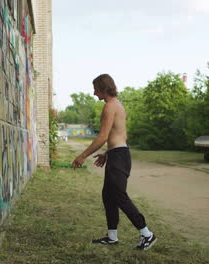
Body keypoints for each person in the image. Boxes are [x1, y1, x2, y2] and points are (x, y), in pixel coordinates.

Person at [71, 74, 157, 250]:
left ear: (103, 88)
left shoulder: (110, 107)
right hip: (117, 154)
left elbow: (103, 136)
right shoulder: (116, 105)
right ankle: (112, 237)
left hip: (119, 157)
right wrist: (108, 153)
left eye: (96, 89)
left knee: (119, 196)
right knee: (108, 196)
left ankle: (147, 234)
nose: (94, 93)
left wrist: (83, 155)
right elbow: (117, 136)